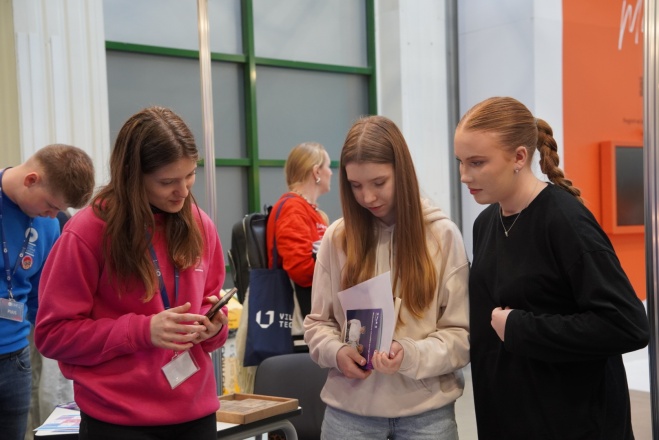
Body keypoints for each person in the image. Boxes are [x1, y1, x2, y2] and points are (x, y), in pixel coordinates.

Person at [453, 96, 650, 440]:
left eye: (477, 162)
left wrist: (521, 328)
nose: (464, 175)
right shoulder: (485, 223)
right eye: (460, 162)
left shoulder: (565, 221)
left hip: (573, 422)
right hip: (508, 417)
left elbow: (627, 324)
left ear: (519, 157)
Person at [34, 106, 230, 440]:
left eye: (190, 175)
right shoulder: (88, 232)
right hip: (118, 420)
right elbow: (53, 335)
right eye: (167, 182)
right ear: (131, 174)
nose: (183, 192)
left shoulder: (200, 225)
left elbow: (211, 305)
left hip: (195, 414)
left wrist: (214, 327)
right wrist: (143, 331)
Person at [304, 115, 470, 439]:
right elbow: (317, 324)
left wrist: (410, 354)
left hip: (427, 418)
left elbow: (460, 337)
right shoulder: (337, 238)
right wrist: (337, 352)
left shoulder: (443, 236)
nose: (367, 197)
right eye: (356, 186)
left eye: (379, 183)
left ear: (402, 173)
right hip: (349, 416)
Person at [0, 144, 94, 440]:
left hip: (15, 358)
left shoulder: (48, 225)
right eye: (51, 206)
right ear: (31, 180)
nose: (52, 216)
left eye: (59, 210)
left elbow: (42, 298)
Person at [266, 141, 331, 343]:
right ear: (316, 172)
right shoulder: (293, 208)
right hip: (301, 314)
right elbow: (301, 270)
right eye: (328, 167)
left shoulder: (313, 212)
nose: (331, 173)